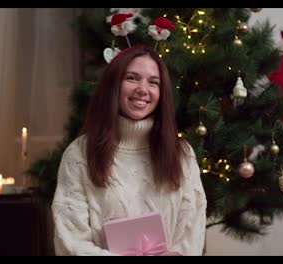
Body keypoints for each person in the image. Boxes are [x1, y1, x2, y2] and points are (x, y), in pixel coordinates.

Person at [51, 45, 207, 256]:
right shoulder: (79, 154)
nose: (143, 89)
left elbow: (192, 235)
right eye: (132, 78)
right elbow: (69, 239)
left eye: (153, 82)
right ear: (113, 85)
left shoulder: (182, 155)